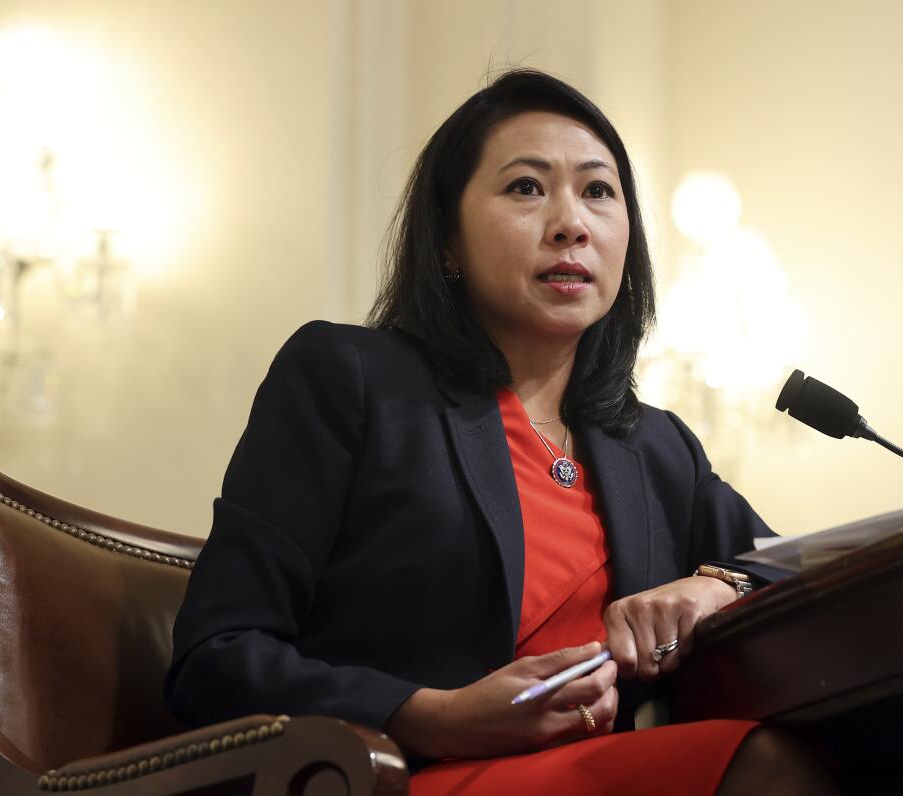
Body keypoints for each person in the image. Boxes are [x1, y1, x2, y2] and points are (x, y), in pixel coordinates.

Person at [165, 69, 836, 794]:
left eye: (598, 191)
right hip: (400, 773)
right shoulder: (350, 379)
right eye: (526, 187)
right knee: (761, 766)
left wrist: (718, 586)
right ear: (447, 241)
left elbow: (794, 565)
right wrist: (436, 716)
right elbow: (216, 655)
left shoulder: (654, 447)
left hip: (592, 772)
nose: (571, 222)